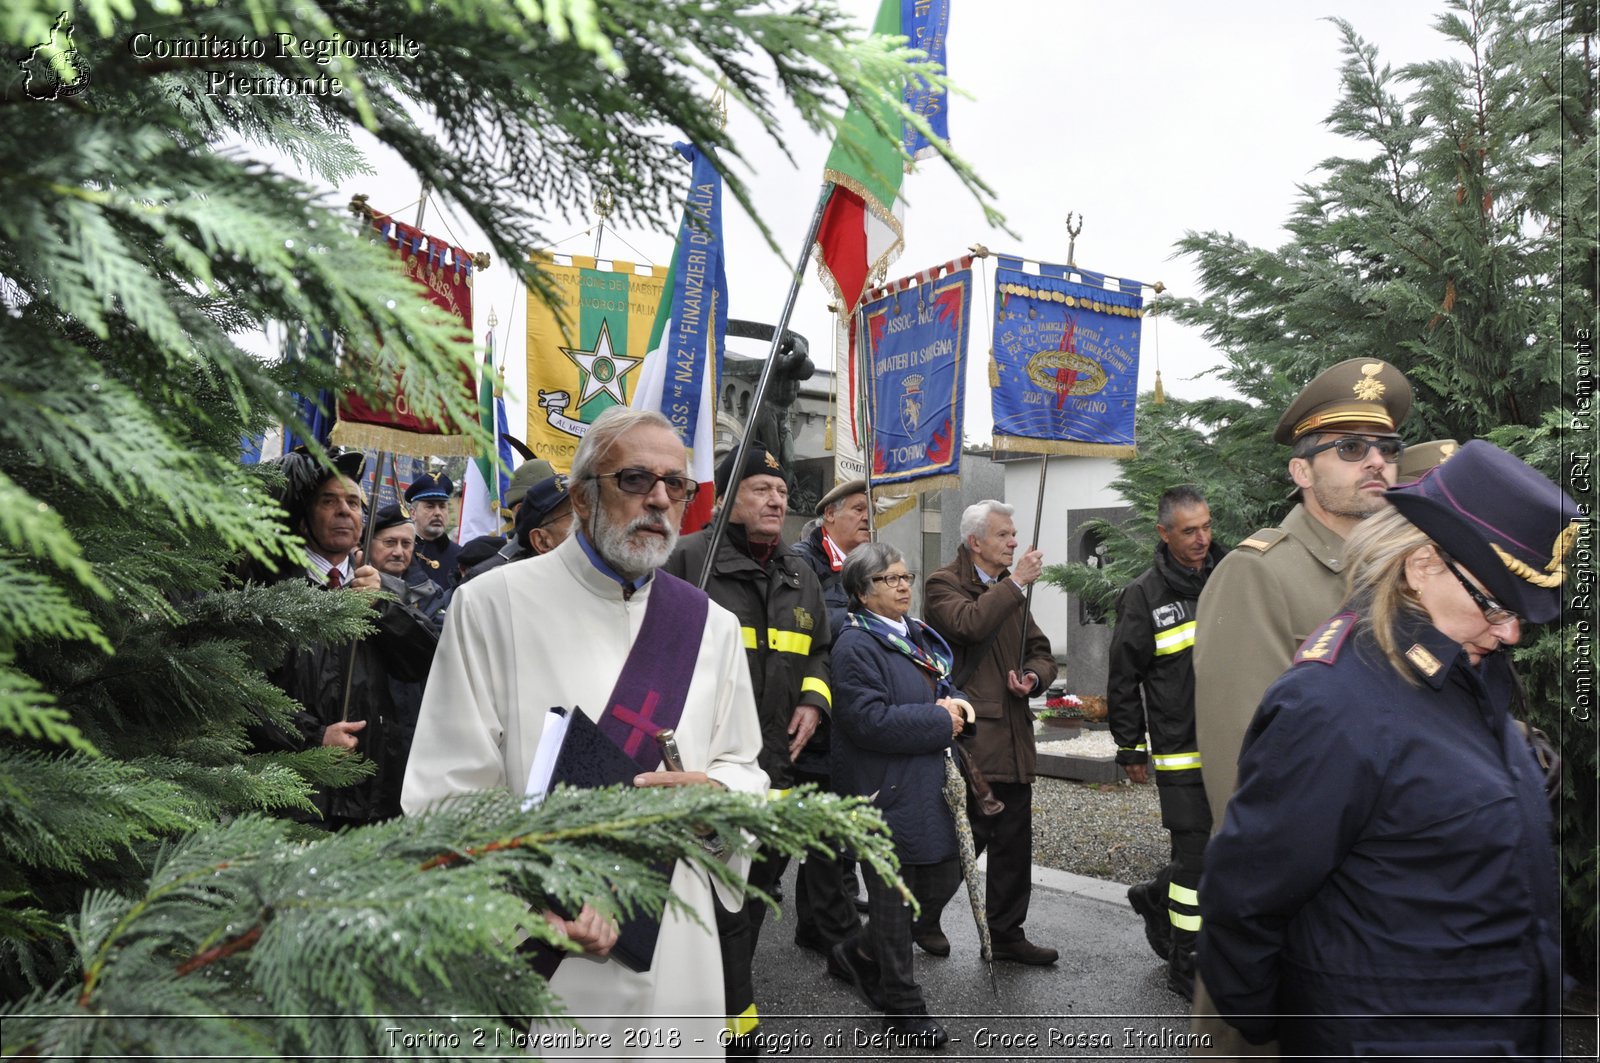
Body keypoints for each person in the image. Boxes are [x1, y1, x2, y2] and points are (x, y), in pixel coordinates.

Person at [402, 407, 766, 1057]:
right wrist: (525, 905)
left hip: (678, 947)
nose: (658, 498)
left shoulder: (711, 626)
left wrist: (715, 796)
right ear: (581, 494)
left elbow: (746, 764)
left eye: (674, 484)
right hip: (548, 951)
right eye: (633, 479)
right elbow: (445, 792)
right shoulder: (491, 605)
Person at [1198, 441, 1573, 1057]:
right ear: (1422, 564)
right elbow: (1246, 898)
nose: (1510, 633)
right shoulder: (1334, 705)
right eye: (1496, 604)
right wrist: (1291, 1029)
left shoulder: (1465, 670)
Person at [1188, 357, 1412, 1050]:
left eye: (1387, 448)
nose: (1376, 462)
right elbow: (1246, 781)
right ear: (1302, 472)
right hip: (1295, 923)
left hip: (1386, 922)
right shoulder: (1259, 572)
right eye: (1350, 448)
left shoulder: (1402, 572)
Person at [661, 441, 832, 1055]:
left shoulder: (799, 574)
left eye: (782, 493)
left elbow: (822, 650)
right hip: (702, 772)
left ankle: (729, 1005)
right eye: (762, 490)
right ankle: (727, 1024)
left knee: (752, 896)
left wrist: (815, 699)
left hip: (775, 770)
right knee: (709, 901)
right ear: (728, 499)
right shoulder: (686, 561)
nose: (776, 500)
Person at [248, 450, 439, 827]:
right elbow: (244, 692)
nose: (344, 511)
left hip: (371, 801)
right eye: (329, 501)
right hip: (294, 799)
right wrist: (314, 737)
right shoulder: (268, 590)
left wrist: (383, 607)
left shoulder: (388, 592)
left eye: (353, 502)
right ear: (303, 520)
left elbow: (424, 662)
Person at [828, 542, 967, 1050]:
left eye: (906, 576)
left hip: (924, 784)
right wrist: (940, 720)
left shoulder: (914, 634)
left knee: (941, 876)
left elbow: (945, 687)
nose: (905, 585)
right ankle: (904, 1008)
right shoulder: (854, 645)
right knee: (892, 898)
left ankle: (861, 952)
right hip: (879, 789)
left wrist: (959, 708)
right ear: (863, 593)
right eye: (890, 579)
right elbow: (867, 721)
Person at [920, 500, 1059, 965]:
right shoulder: (944, 584)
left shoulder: (1008, 590)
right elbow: (969, 624)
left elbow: (1040, 651)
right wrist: (1017, 583)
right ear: (975, 542)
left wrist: (1034, 678)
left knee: (1014, 843)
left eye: (1014, 533)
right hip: (974, 737)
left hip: (1014, 735)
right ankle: (919, 916)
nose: (1014, 542)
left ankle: (1006, 934)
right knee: (963, 839)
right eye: (1003, 535)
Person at [1107, 486, 1226, 1000]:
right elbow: (1123, 676)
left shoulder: (1234, 576)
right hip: (1181, 752)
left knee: (1228, 850)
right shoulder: (1144, 596)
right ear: (1164, 534)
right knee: (1195, 862)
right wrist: (1130, 746)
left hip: (1234, 744)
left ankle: (1156, 898)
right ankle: (1186, 963)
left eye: (1206, 526)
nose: (1202, 539)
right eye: (1188, 531)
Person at [789, 478, 875, 939]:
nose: (867, 517)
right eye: (858, 509)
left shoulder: (862, 565)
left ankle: (817, 920)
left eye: (869, 509)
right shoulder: (804, 563)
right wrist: (868, 615)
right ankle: (824, 925)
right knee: (813, 828)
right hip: (812, 709)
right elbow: (820, 623)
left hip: (846, 714)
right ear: (829, 516)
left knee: (829, 824)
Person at [465, 472, 574, 582]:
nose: (588, 519)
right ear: (541, 541)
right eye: (574, 515)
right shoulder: (498, 588)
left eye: (590, 507)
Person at [369, 503, 448, 632]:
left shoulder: (430, 593)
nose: (398, 552)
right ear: (369, 543)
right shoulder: (351, 581)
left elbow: (435, 642)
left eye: (406, 544)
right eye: (390, 542)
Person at [404, 471, 462, 588]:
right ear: (413, 513)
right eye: (430, 506)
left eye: (442, 506)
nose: (437, 513)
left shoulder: (460, 555)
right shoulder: (402, 552)